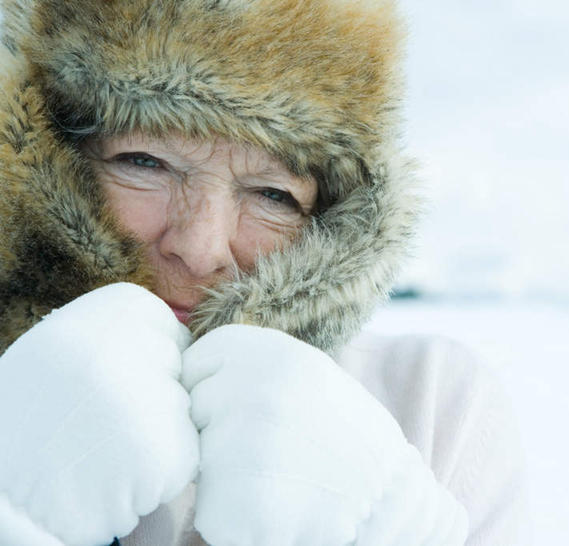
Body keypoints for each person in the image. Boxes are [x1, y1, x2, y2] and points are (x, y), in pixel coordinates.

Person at [0, 1, 529, 545]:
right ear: (45, 156)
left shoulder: (433, 406)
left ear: (335, 219)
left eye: (273, 194)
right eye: (145, 162)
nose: (200, 249)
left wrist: (385, 528)